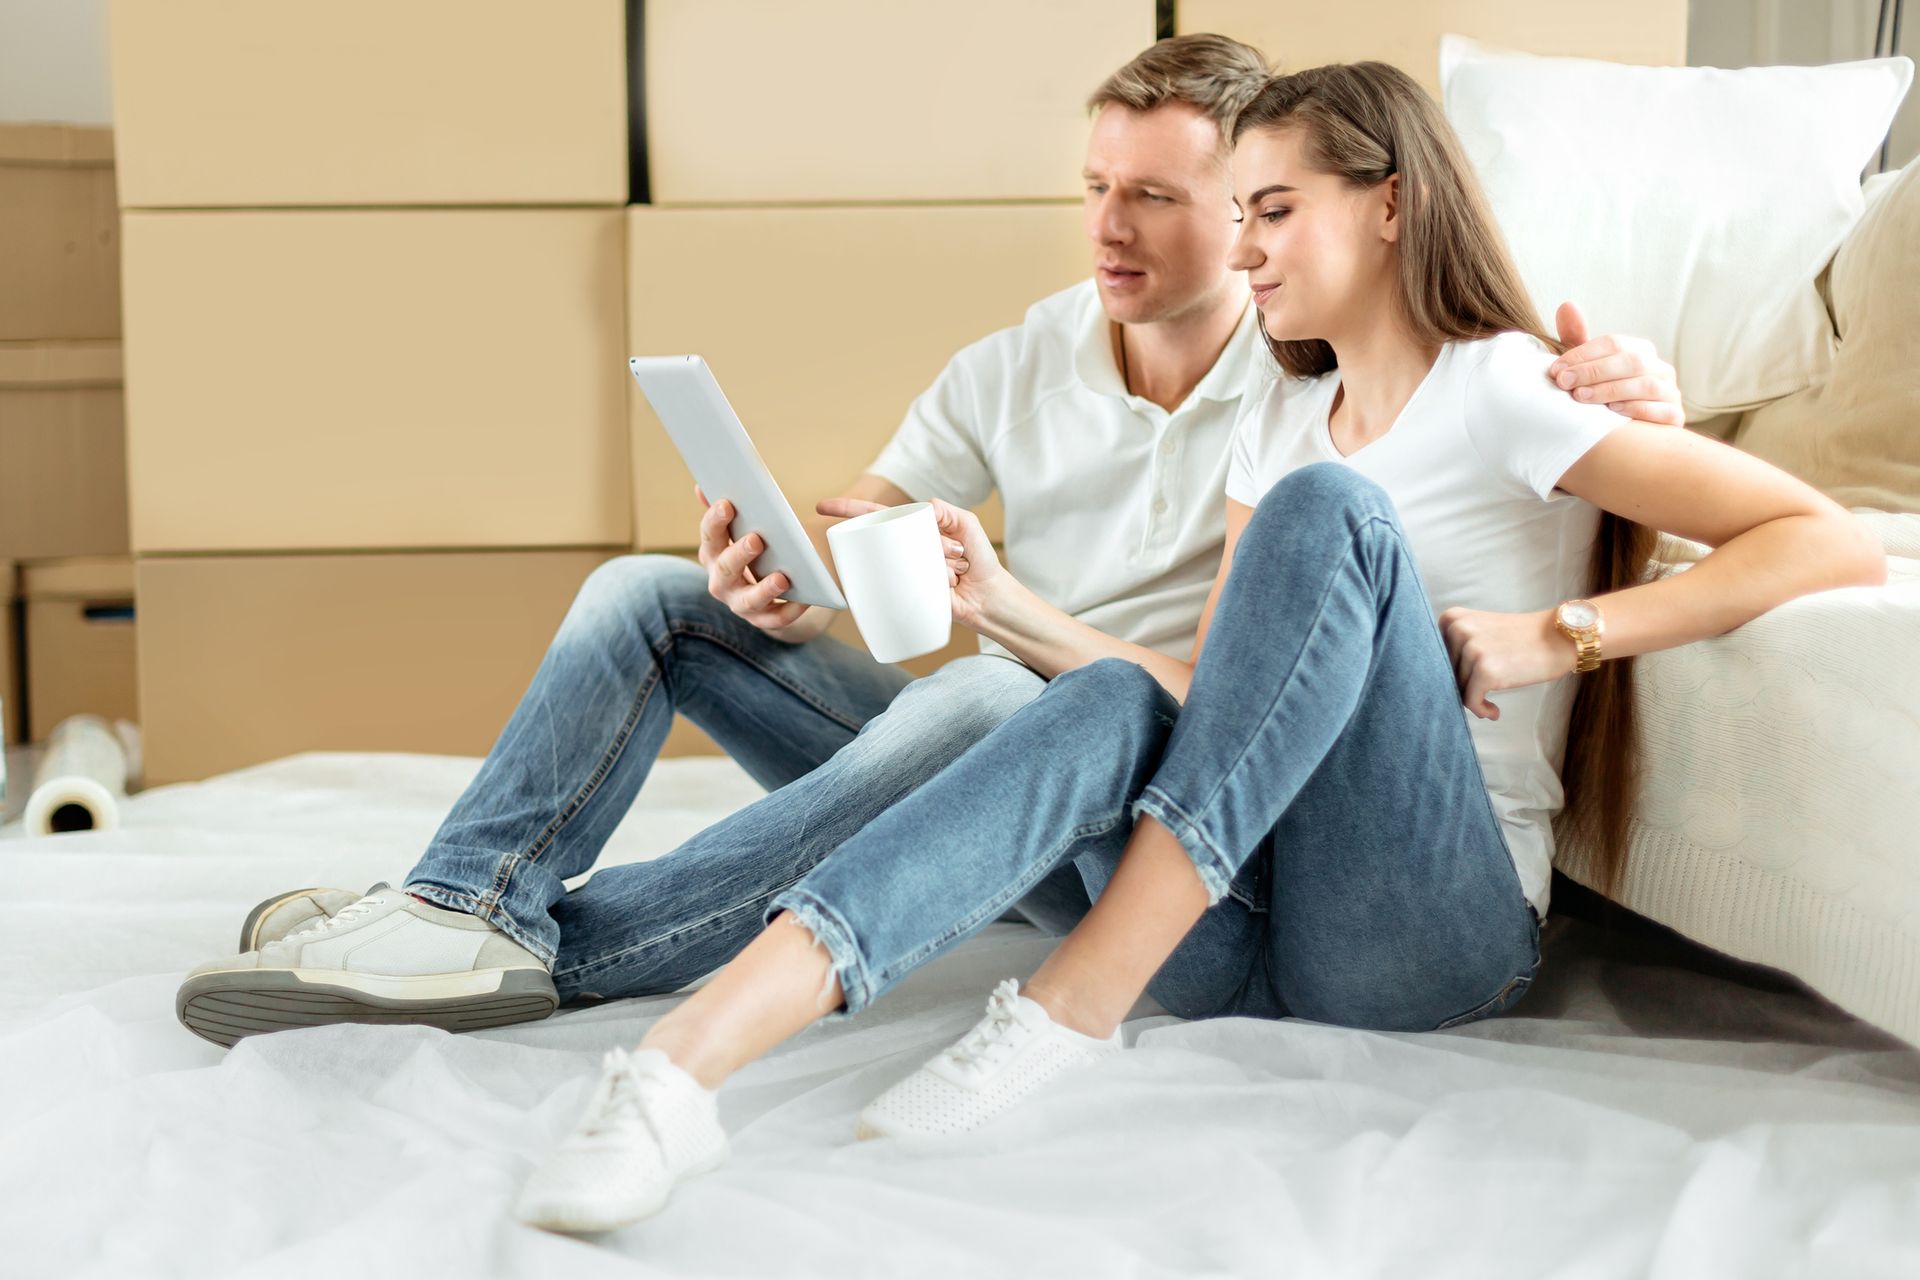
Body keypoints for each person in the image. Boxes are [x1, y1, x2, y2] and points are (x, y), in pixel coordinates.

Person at [505, 60, 1885, 1235]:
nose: (1248, 251)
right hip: (1237, 936)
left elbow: (1828, 541)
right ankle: (681, 1073)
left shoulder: (1508, 389)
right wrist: (1020, 618)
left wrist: (1562, 633)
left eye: (1271, 212)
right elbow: (1224, 701)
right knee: (1109, 685)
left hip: (1428, 933)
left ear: (1392, 205)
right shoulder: (1282, 420)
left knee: (1332, 511)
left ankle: (1067, 1004)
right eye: (1239, 218)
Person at [174, 36, 1679, 1049]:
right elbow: (871, 524)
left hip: (1134, 753)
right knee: (648, 599)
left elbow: (1266, 668)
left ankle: (557, 959)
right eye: (1097, 188)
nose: (1109, 229)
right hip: (1027, 767)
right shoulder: (1022, 356)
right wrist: (775, 569)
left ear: (1255, 216)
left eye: (1160, 197)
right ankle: (460, 901)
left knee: (985, 699)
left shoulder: (1313, 379)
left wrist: (1651, 398)